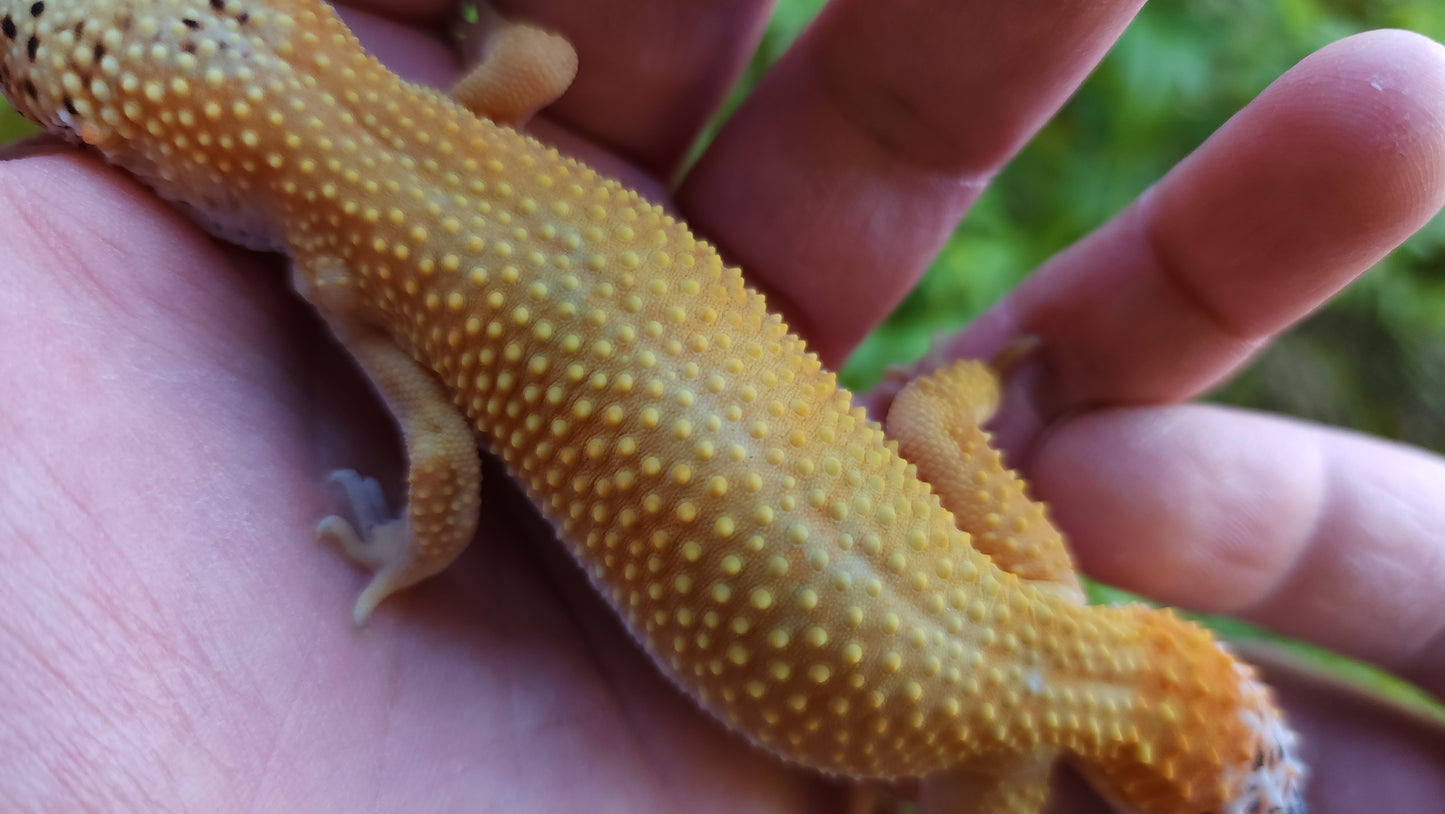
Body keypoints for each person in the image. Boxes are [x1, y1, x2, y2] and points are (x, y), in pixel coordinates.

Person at [1, 2, 1441, 811]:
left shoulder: (431, 153)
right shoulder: (1014, 685)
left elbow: (936, 415)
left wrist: (990, 375)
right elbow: (431, 487)